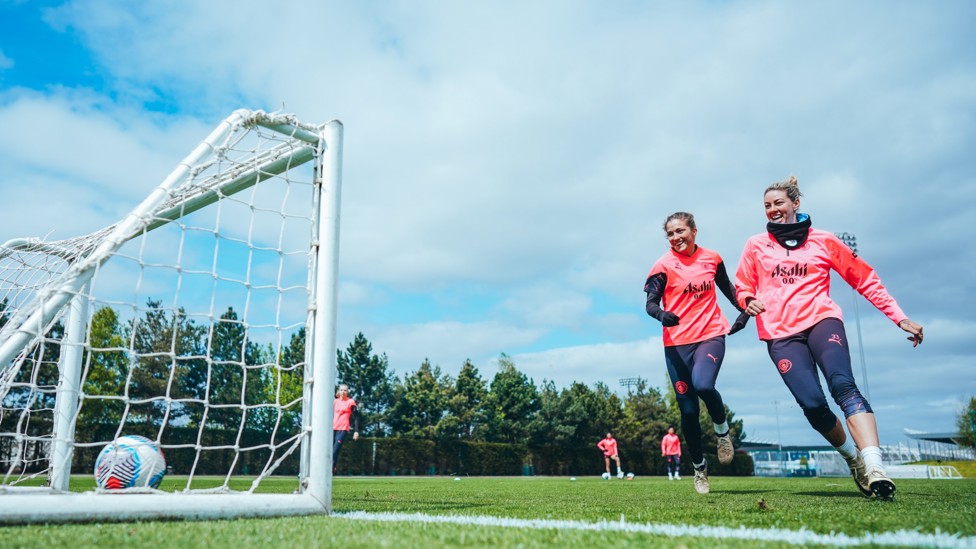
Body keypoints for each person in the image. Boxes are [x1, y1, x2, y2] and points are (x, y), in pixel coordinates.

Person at [735, 176, 924, 501]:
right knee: (813, 404)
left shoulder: (824, 240)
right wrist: (747, 300)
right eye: (767, 206)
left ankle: (875, 466)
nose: (772, 209)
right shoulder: (755, 245)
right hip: (780, 333)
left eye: (779, 203)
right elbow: (743, 284)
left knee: (843, 385)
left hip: (823, 321)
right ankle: (854, 460)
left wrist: (900, 317)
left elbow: (865, 280)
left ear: (796, 203)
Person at [644, 211, 748, 495]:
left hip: (710, 334)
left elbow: (729, 289)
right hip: (676, 344)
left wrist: (745, 310)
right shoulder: (662, 265)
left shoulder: (712, 258)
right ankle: (700, 468)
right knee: (688, 411)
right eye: (670, 233)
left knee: (704, 384)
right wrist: (661, 314)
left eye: (680, 231)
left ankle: (722, 432)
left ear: (694, 231)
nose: (676, 237)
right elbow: (650, 303)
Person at [332, 384, 360, 474]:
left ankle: (331, 469)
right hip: (332, 429)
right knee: (328, 451)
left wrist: (356, 431)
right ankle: (331, 468)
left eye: (345, 390)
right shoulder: (334, 402)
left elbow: (356, 417)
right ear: (339, 391)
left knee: (334, 451)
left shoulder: (350, 402)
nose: (343, 392)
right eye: (341, 390)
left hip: (343, 429)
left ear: (347, 392)